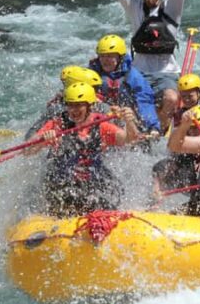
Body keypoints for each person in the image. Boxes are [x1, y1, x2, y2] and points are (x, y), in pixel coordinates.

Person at [102, 0, 186, 131]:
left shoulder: (172, 9)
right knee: (122, 103)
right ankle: (133, 134)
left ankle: (158, 133)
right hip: (139, 71)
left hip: (166, 73)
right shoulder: (134, 7)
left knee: (171, 98)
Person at [28, 82, 141, 217]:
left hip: (91, 184)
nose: (73, 110)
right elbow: (28, 150)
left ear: (90, 106)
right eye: (70, 105)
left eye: (78, 105)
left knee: (110, 190)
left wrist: (130, 122)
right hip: (62, 184)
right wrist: (42, 139)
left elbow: (130, 140)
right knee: (64, 193)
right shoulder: (57, 125)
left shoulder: (101, 126)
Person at [88, 34, 160, 134]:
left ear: (120, 58)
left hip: (127, 116)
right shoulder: (91, 73)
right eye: (102, 56)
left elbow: (144, 102)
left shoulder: (133, 76)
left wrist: (153, 127)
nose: (105, 60)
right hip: (101, 115)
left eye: (110, 56)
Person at [24, 66, 104, 139]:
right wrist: (42, 138)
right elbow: (30, 140)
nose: (97, 94)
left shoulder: (98, 105)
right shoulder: (57, 110)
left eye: (96, 89)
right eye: (94, 89)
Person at [152, 104, 200, 198]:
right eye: (191, 128)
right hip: (192, 186)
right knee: (162, 166)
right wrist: (183, 126)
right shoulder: (186, 147)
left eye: (197, 128)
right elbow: (172, 146)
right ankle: (158, 195)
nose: (193, 132)